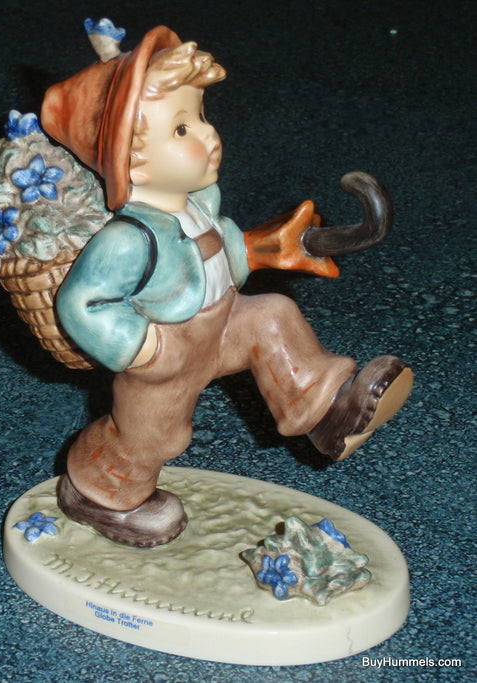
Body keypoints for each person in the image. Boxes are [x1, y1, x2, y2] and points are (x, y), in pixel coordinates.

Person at [40, 22, 413, 547]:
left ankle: (326, 414)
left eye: (200, 117)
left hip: (221, 326)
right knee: (153, 439)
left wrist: (267, 248)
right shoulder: (128, 240)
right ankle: (101, 494)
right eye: (181, 130)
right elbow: (83, 303)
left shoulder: (195, 208)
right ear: (130, 160)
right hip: (166, 357)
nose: (208, 135)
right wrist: (145, 349)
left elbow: (221, 254)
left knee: (272, 316)